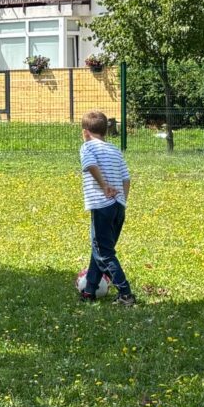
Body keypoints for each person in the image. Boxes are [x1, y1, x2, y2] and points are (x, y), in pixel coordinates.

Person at [79, 110, 136, 305]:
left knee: (103, 252)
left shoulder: (87, 148)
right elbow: (126, 179)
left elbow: (91, 166)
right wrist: (122, 201)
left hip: (101, 205)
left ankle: (125, 293)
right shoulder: (114, 150)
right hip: (118, 207)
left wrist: (104, 186)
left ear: (86, 132)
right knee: (101, 249)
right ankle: (89, 291)